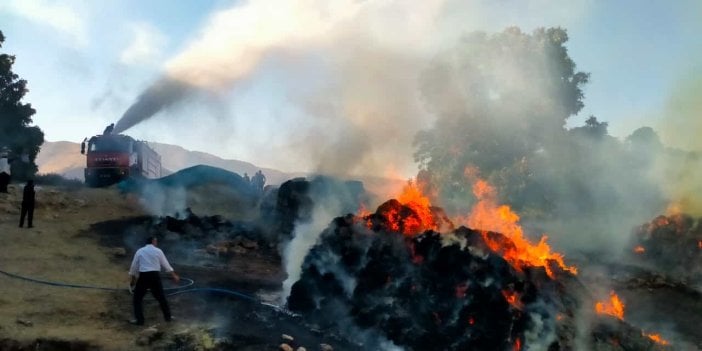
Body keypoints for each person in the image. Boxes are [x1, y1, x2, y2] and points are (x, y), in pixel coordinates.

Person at [128, 236, 180, 326]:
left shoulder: (140, 251)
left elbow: (134, 267)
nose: (157, 242)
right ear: (153, 241)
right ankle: (168, 317)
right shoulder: (158, 251)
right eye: (156, 241)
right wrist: (174, 275)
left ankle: (140, 321)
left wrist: (133, 280)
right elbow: (166, 264)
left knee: (137, 299)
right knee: (161, 297)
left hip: (144, 276)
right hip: (155, 276)